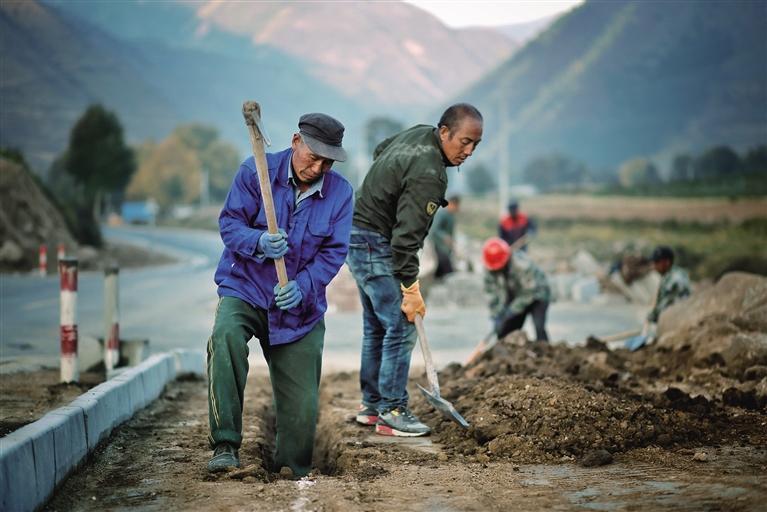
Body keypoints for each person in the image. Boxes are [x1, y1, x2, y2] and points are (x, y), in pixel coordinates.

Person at [206, 113, 353, 476]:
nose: (317, 167)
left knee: (302, 412)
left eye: (327, 161)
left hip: (298, 311)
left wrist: (302, 287)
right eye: (312, 156)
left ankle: (292, 469)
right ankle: (225, 444)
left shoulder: (341, 194)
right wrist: (256, 241)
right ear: (295, 141)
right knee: (224, 337)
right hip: (246, 288)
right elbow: (229, 224)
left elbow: (334, 253)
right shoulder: (255, 172)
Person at [347, 103, 483, 437]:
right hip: (376, 243)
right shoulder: (429, 176)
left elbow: (382, 149)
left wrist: (389, 188)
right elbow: (405, 243)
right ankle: (392, 409)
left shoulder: (419, 133)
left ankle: (372, 405)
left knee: (377, 328)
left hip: (355, 235)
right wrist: (412, 289)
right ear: (445, 132)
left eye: (475, 145)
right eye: (464, 141)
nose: (468, 151)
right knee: (402, 325)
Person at [482, 237, 550, 341]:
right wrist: (496, 316)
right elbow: (491, 295)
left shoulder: (522, 265)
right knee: (505, 331)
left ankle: (545, 349)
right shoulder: (490, 268)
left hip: (537, 294)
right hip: (516, 296)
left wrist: (510, 311)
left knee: (539, 327)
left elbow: (528, 293)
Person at [646, 245, 691, 325]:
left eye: (657, 262)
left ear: (667, 262)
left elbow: (671, 304)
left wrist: (653, 316)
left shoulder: (676, 278)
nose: (654, 266)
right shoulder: (667, 277)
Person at [431, 195, 460, 280]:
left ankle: (435, 282)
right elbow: (434, 230)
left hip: (446, 247)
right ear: (451, 204)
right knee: (447, 268)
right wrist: (444, 237)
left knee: (440, 268)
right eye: (456, 206)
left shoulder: (451, 216)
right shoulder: (442, 214)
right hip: (439, 245)